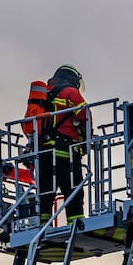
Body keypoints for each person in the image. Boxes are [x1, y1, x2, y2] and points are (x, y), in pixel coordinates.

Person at [36, 64, 91, 224]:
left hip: (44, 153)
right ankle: (75, 222)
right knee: (73, 189)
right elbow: (85, 116)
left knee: (46, 192)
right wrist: (86, 140)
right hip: (66, 151)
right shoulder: (70, 92)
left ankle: (42, 224)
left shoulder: (44, 94)